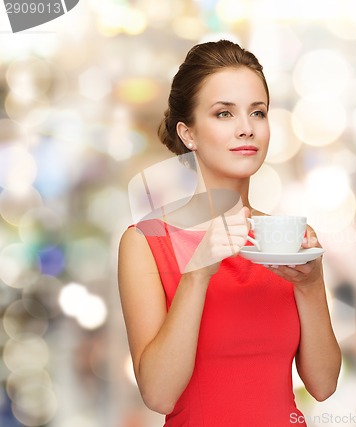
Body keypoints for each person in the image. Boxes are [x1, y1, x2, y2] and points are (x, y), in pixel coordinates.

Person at [118, 39, 342, 426]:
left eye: (258, 113)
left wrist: (311, 285)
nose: (246, 129)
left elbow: (322, 384)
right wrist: (196, 275)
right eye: (224, 114)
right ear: (188, 134)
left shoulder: (289, 240)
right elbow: (158, 394)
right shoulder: (145, 243)